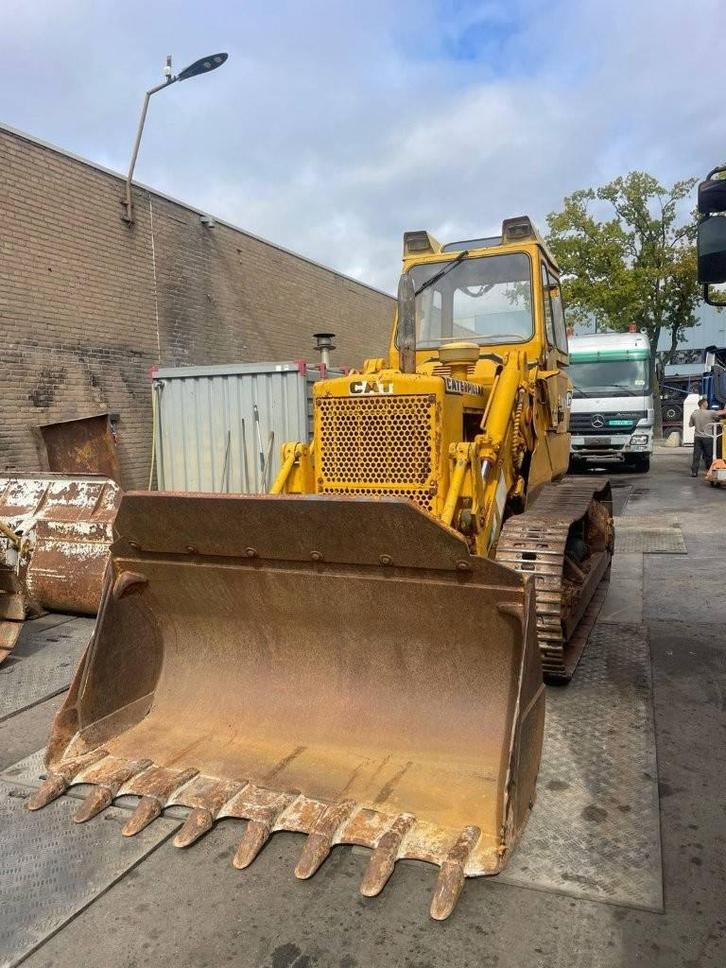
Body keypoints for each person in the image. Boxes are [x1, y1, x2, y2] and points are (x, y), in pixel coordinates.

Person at [689, 398, 726, 476]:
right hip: (707, 437)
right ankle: (709, 471)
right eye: (706, 403)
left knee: (696, 455)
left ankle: (694, 472)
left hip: (697, 437)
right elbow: (723, 412)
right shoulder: (710, 413)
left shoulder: (694, 413)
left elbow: (690, 425)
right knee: (709, 455)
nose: (707, 404)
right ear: (703, 404)